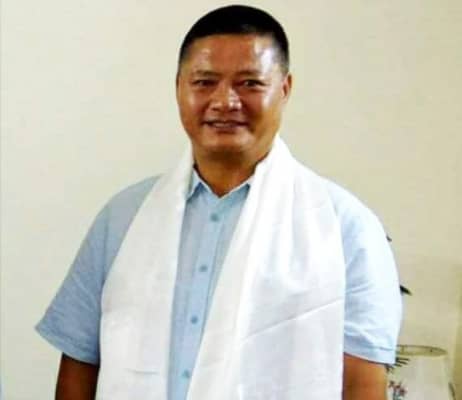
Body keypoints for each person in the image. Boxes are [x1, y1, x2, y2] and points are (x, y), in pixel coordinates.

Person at [37, 5, 401, 400]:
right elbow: (80, 366)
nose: (225, 101)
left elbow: (361, 384)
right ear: (179, 87)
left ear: (285, 88)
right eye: (205, 82)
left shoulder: (345, 227)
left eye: (250, 83)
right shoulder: (122, 218)